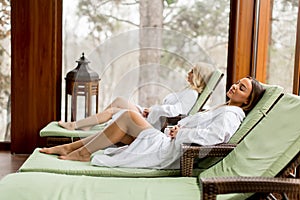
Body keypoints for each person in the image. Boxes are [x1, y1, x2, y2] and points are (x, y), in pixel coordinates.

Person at [40, 76, 265, 170]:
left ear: (247, 100)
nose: (235, 87)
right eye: (237, 83)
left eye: (241, 88)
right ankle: (71, 147)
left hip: (172, 151)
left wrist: (181, 133)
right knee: (121, 129)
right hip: (169, 141)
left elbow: (215, 137)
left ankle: (79, 152)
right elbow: (202, 128)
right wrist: (181, 128)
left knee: (127, 118)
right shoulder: (225, 108)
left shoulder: (232, 115)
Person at [58, 63, 214, 130]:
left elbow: (174, 111)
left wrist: (151, 110)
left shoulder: (192, 95)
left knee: (113, 111)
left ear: (199, 76)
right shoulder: (188, 91)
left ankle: (76, 125)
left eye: (193, 71)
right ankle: (88, 124)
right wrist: (150, 110)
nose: (189, 72)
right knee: (119, 100)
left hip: (153, 125)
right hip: (151, 116)